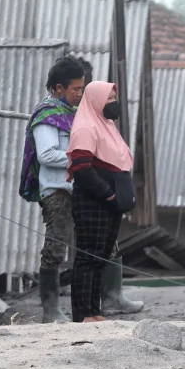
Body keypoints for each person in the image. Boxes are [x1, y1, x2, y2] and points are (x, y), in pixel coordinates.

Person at [20, 56, 85, 323]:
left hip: (79, 187)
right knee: (56, 247)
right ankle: (51, 311)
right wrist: (78, 157)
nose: (79, 95)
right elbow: (47, 154)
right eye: (75, 90)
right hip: (57, 191)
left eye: (82, 89)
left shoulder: (75, 114)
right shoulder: (47, 115)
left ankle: (109, 298)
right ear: (59, 88)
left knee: (101, 241)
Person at [66, 82, 135, 323]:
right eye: (109, 98)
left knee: (101, 257)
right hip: (92, 203)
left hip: (109, 205)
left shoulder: (108, 126)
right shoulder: (85, 127)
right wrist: (108, 194)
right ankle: (83, 313)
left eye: (115, 97)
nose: (113, 102)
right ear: (95, 100)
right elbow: (83, 169)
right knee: (88, 257)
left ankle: (95, 311)